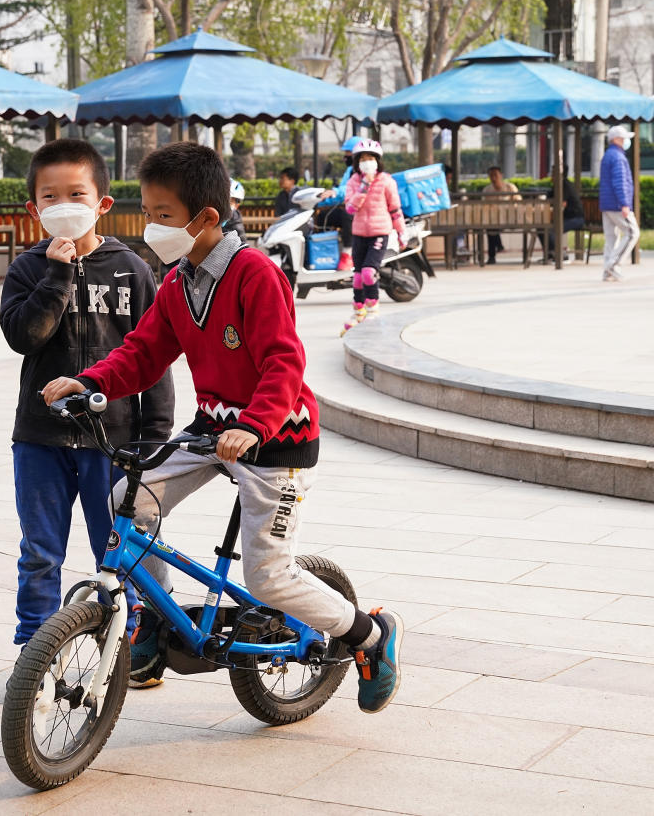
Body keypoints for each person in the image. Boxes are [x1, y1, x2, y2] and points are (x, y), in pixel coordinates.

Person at [41, 141, 404, 710]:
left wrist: (256, 424)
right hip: (213, 429)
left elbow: (284, 362)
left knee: (268, 578)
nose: (149, 226)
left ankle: (369, 636)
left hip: (276, 437)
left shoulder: (254, 273)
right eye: (148, 212)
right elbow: (141, 353)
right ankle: (155, 621)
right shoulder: (178, 280)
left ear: (205, 217)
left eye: (162, 215)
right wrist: (90, 383)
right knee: (129, 501)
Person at [0, 138, 175, 653]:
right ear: (34, 210)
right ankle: (34, 649)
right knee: (39, 551)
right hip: (40, 437)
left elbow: (155, 355)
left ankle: (138, 645)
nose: (63, 206)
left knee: (123, 549)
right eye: (50, 197)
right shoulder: (28, 268)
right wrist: (56, 272)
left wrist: (154, 437)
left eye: (76, 193)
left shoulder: (132, 268)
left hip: (115, 439)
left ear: (101, 204)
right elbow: (23, 337)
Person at [341, 138, 406, 336]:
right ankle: (358, 311)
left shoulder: (387, 181)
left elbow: (395, 209)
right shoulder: (353, 182)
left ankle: (373, 311)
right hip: (360, 232)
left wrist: (401, 231)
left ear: (378, 160)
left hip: (380, 232)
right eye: (363, 158)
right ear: (357, 162)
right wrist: (363, 187)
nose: (367, 161)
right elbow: (350, 208)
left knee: (369, 272)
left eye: (371, 158)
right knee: (358, 277)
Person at [600, 124, 639, 282]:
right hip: (617, 204)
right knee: (632, 233)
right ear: (616, 139)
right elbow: (620, 181)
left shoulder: (608, 155)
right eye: (623, 139)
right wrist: (624, 203)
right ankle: (613, 265)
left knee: (611, 238)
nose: (625, 142)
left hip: (607, 204)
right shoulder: (618, 157)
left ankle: (607, 272)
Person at [317, 136, 363, 271]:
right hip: (349, 205)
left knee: (346, 215)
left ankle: (347, 253)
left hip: (361, 210)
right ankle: (324, 252)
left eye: (348, 153)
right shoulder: (349, 170)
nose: (345, 156)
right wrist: (322, 200)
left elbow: (350, 189)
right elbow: (343, 190)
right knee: (322, 217)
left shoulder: (362, 170)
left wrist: (335, 192)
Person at [540, 166, 585, 262]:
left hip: (576, 218)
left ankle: (560, 254)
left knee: (552, 230)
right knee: (541, 228)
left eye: (553, 172)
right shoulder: (557, 185)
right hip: (567, 218)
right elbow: (548, 197)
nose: (551, 174)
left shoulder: (564, 185)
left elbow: (561, 203)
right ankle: (550, 253)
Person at [482, 166, 520, 264]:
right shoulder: (487, 190)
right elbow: (484, 207)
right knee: (490, 227)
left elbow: (519, 202)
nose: (493, 178)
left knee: (492, 227)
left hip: (511, 218)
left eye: (495, 175)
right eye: (491, 175)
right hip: (493, 220)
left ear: (501, 175)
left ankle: (498, 246)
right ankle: (493, 254)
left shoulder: (510, 187)